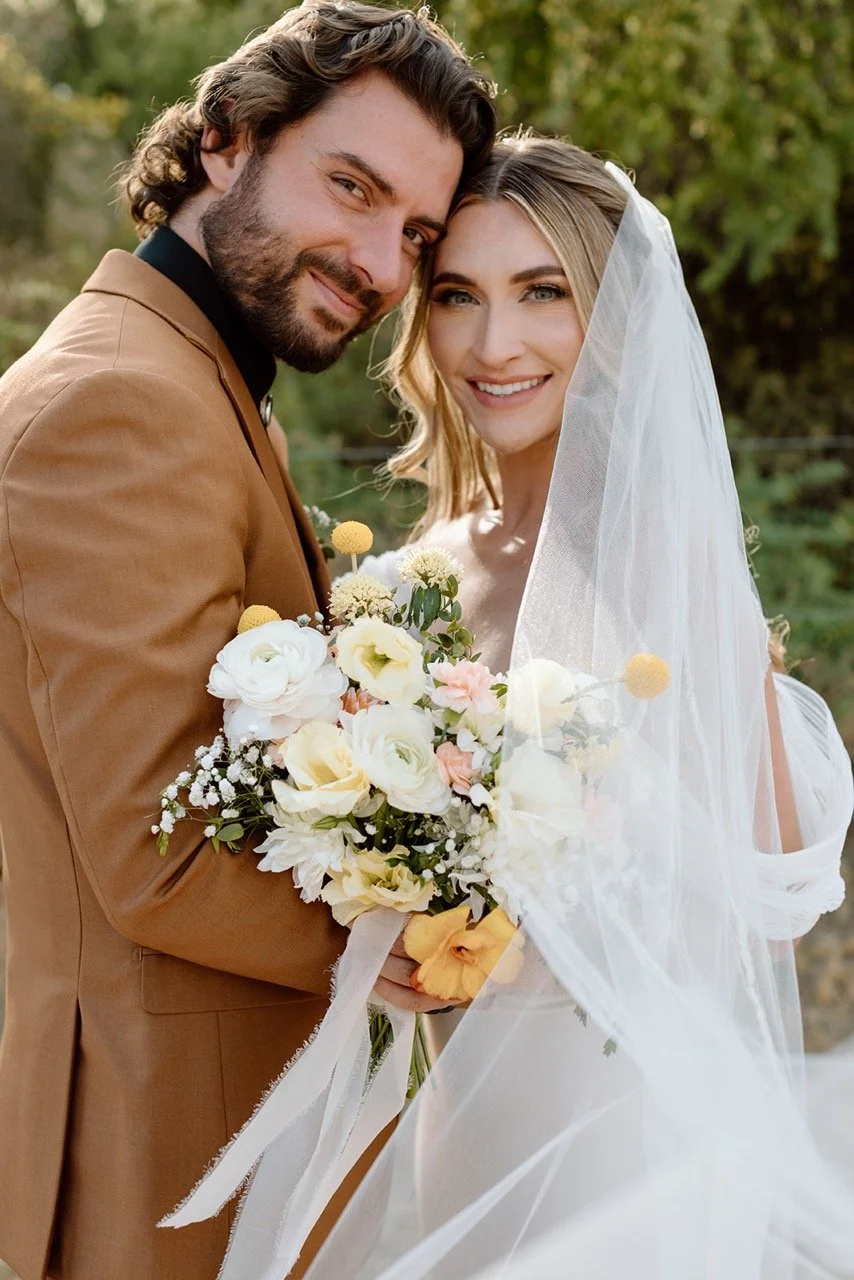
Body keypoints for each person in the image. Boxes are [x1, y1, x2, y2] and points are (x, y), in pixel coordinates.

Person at [293, 134, 854, 1277]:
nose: (494, 344)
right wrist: (382, 930)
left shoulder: (668, 562)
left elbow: (780, 879)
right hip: (460, 1116)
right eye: (457, 296)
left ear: (612, 319)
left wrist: (717, 631)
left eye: (541, 293)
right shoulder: (411, 581)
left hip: (626, 1121)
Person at [0, 6, 495, 1279]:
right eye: (351, 186)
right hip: (141, 1141)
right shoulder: (123, 403)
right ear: (225, 139)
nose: (379, 260)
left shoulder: (195, 383)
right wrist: (439, 923)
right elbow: (157, 846)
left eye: (416, 233)